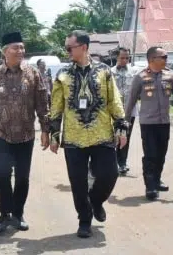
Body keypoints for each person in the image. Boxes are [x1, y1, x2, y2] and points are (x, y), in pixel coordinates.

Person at [49, 30, 128, 238]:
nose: (67, 51)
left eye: (70, 48)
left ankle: (95, 201)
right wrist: (54, 134)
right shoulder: (62, 75)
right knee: (77, 182)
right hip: (74, 137)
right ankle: (84, 220)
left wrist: (121, 124)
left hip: (101, 133)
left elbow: (114, 100)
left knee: (110, 174)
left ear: (83, 47)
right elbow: (56, 107)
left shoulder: (104, 71)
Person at [0, 31, 49, 233]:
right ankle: (4, 214)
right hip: (1, 135)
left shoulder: (33, 73)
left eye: (22, 47)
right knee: (1, 174)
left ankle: (18, 214)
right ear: (5, 52)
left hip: (26, 135)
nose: (20, 51)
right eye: (15, 48)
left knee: (23, 177)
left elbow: (42, 103)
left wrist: (45, 129)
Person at [125, 46, 173, 201]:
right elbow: (131, 100)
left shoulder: (169, 75)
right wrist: (125, 121)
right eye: (163, 57)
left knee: (161, 154)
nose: (166, 59)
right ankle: (150, 186)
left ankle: (157, 179)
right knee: (150, 154)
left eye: (166, 56)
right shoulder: (140, 77)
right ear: (152, 59)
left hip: (164, 122)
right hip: (148, 123)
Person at [111, 48, 139, 175]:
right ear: (116, 57)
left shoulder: (134, 72)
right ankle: (113, 163)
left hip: (129, 111)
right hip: (113, 112)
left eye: (127, 58)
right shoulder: (109, 72)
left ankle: (123, 163)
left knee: (125, 136)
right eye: (122, 58)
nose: (125, 60)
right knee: (113, 137)